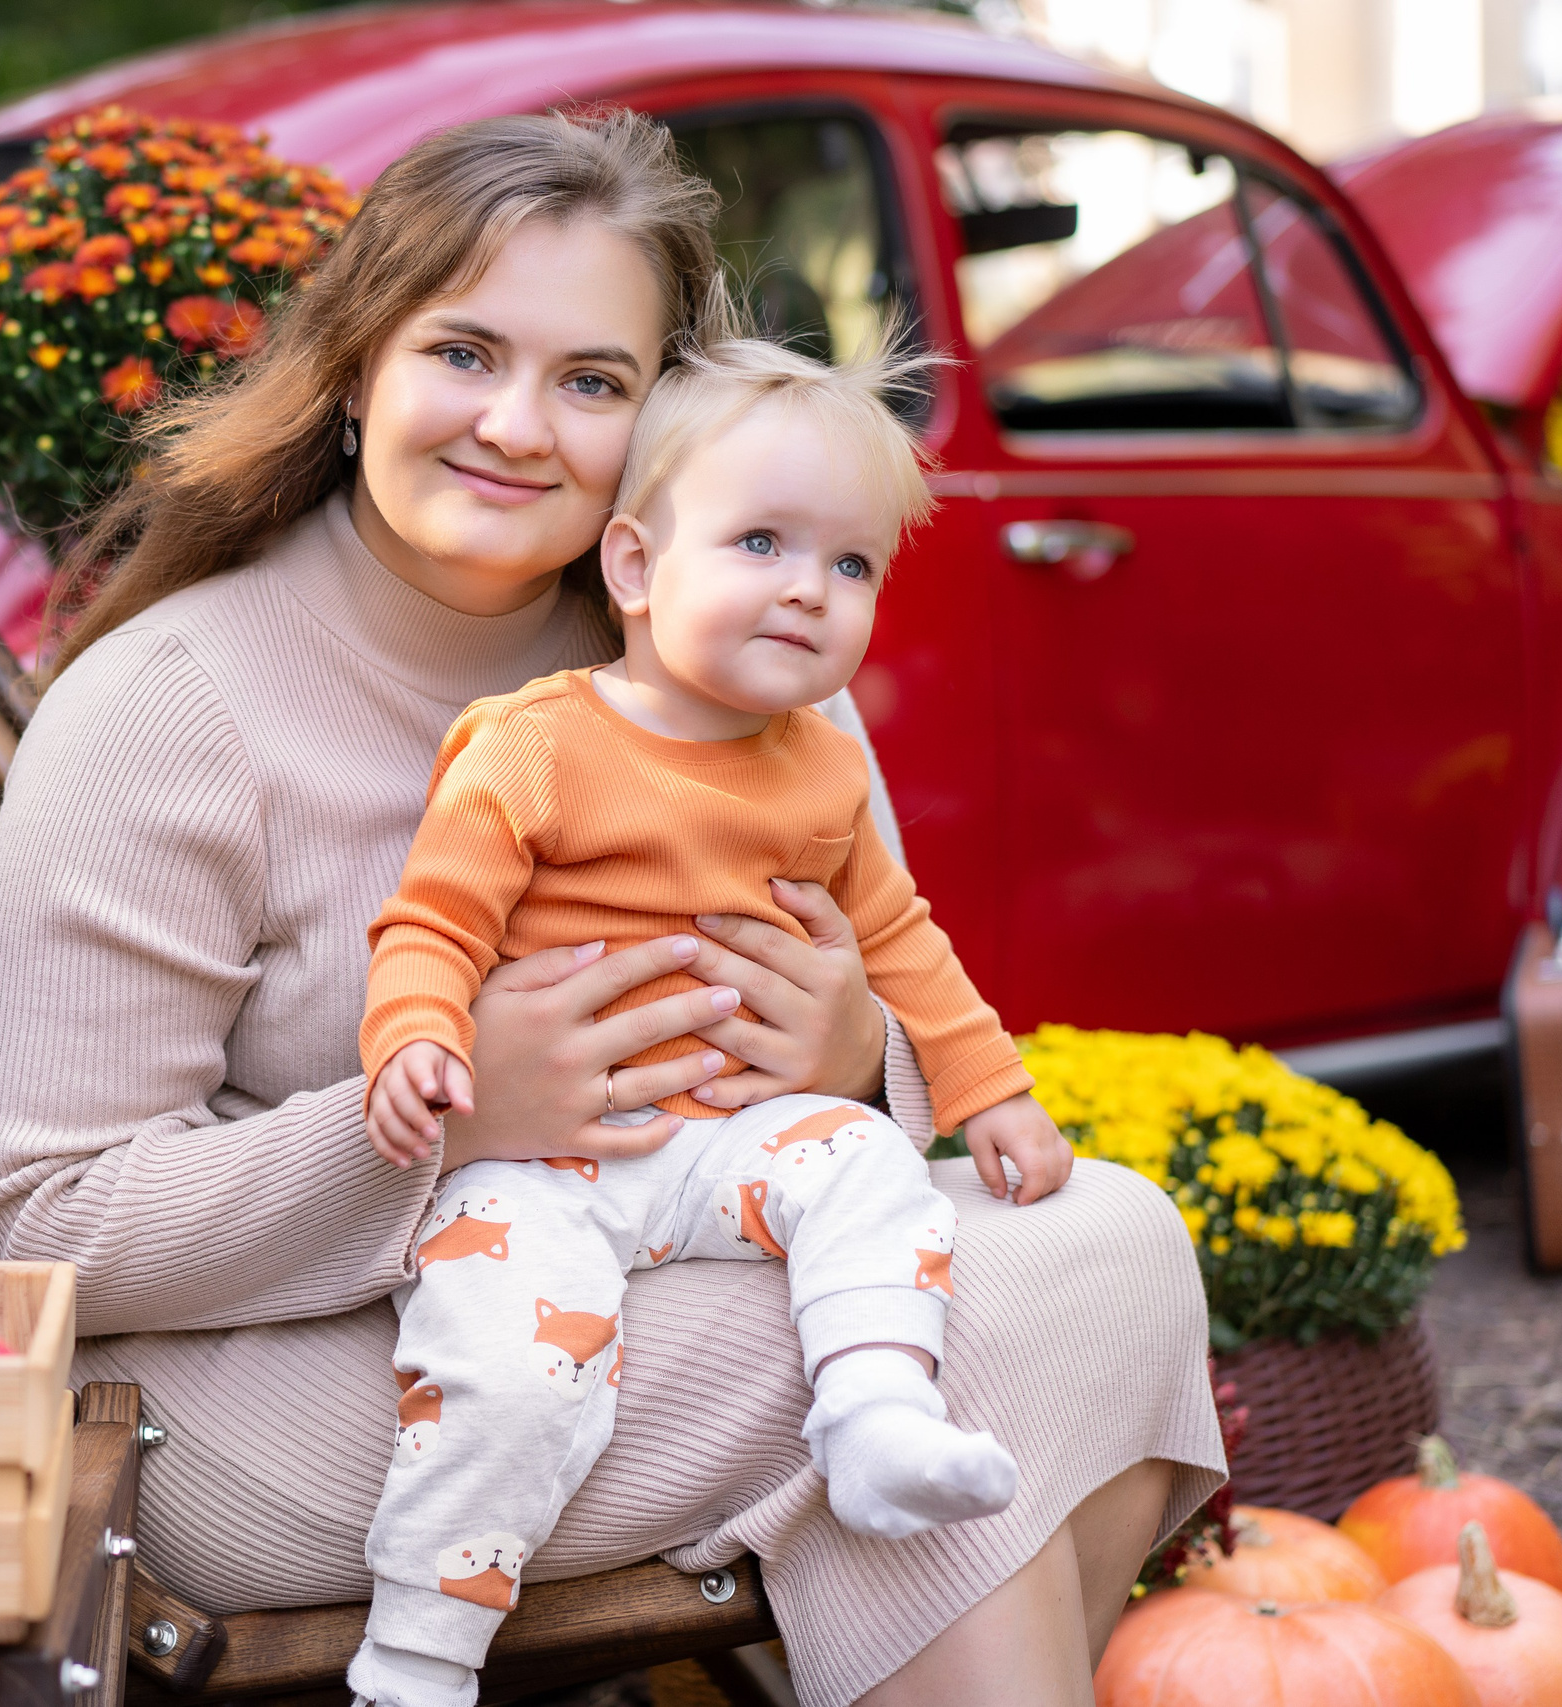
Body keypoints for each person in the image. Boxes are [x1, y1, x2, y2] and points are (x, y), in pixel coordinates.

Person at [0, 108, 1225, 1707]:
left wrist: (853, 1059)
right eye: (464, 352)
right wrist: (436, 1115)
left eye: (592, 381)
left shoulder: (729, 652)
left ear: (661, 427)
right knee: (1035, 1314)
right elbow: (43, 1227)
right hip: (282, 1388)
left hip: (667, 1267)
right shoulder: (172, 706)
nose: (515, 425)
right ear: (358, 369)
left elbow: (882, 1013)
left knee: (1108, 1243)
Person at [348, 336, 1073, 1707]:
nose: (810, 588)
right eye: (761, 542)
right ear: (633, 567)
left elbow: (899, 940)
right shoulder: (537, 744)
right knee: (503, 1376)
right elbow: (432, 922)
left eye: (851, 565)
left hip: (724, 1152)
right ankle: (417, 1664)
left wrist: (991, 1093)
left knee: (863, 1171)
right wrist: (418, 1039)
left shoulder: (821, 763)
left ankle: (875, 1415)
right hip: (538, 1170)